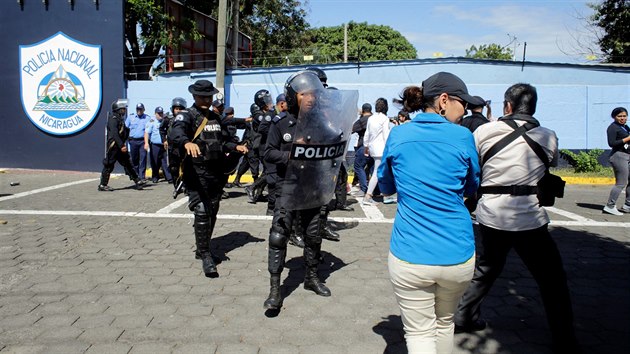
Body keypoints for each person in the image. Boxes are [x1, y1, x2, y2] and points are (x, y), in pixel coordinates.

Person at [454, 83, 579, 353]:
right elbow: (550, 164)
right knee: (552, 280)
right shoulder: (549, 135)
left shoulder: (484, 131)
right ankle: (565, 339)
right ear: (533, 107)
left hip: (491, 215)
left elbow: (472, 168)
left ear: (507, 106)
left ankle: (462, 317)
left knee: (486, 270)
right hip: (530, 218)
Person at [378, 72, 481, 354]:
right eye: (464, 103)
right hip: (457, 253)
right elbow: (473, 185)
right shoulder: (463, 137)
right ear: (444, 101)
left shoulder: (399, 134)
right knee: (445, 323)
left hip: (409, 253)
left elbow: (385, 185)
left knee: (419, 332)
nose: (467, 110)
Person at [263, 71, 355, 310]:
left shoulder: (321, 122)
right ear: (294, 97)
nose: (311, 98)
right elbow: (268, 153)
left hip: (313, 185)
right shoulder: (280, 123)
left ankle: (311, 278)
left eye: (314, 94)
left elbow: (333, 151)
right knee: (279, 235)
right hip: (288, 186)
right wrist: (291, 153)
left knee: (313, 235)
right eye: (305, 94)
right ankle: (275, 288)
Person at [169, 79, 249, 278]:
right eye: (202, 96)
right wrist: (186, 142)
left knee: (213, 209)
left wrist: (235, 147)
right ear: (194, 96)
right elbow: (176, 133)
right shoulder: (186, 116)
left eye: (208, 96)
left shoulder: (216, 117)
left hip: (215, 172)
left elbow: (223, 141)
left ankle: (202, 248)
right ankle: (205, 254)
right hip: (195, 172)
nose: (205, 99)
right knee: (202, 210)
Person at [98, 99, 147, 191]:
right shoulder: (113, 119)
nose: (124, 110)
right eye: (122, 109)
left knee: (128, 163)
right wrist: (122, 146)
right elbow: (115, 134)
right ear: (118, 109)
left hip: (120, 147)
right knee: (109, 165)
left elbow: (123, 133)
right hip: (114, 146)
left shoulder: (120, 119)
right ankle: (102, 185)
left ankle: (137, 180)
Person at [363, 98, 391, 205]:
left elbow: (367, 134)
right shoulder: (385, 119)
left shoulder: (371, 118)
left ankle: (385, 195)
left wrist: (366, 146)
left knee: (381, 171)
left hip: (373, 148)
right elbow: (386, 135)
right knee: (377, 172)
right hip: (382, 149)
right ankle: (368, 195)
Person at [602, 107, 630, 215]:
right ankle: (610, 206)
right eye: (619, 116)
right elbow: (612, 143)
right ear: (614, 117)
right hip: (619, 156)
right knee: (621, 183)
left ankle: (628, 205)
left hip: (628, 155)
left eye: (624, 116)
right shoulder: (613, 128)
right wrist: (627, 139)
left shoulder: (625, 127)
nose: (622, 118)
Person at [164, 97, 187, 193]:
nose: (178, 111)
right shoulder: (168, 119)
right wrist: (164, 140)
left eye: (180, 109)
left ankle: (186, 186)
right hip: (172, 147)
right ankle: (177, 186)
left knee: (187, 167)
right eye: (176, 109)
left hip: (183, 147)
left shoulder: (187, 119)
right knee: (173, 168)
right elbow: (162, 129)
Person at [144, 106, 172, 183]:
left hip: (164, 145)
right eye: (158, 113)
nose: (160, 115)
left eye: (161, 113)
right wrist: (146, 143)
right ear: (155, 114)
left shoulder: (165, 121)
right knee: (155, 162)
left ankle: (169, 177)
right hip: (155, 145)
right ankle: (155, 176)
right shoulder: (151, 122)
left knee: (165, 162)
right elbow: (147, 133)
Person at [352, 103, 374, 197]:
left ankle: (363, 189)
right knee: (373, 168)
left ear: (363, 110)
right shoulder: (375, 119)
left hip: (364, 146)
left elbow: (351, 130)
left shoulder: (361, 121)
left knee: (358, 166)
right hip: (376, 147)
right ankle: (376, 191)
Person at [125, 103, 149, 182]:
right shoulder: (130, 117)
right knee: (134, 159)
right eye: (138, 109)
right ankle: (136, 176)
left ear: (143, 110)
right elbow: (125, 128)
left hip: (142, 141)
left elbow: (149, 130)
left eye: (141, 109)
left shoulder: (147, 118)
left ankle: (142, 177)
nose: (139, 111)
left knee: (143, 159)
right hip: (133, 141)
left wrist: (147, 142)